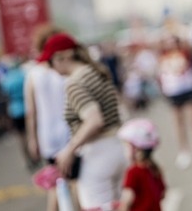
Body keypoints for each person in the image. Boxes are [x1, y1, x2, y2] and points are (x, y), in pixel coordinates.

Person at [39, 32, 127, 210]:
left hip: (97, 154)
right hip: (118, 148)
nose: (50, 67)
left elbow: (94, 120)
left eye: (51, 61)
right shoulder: (96, 72)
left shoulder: (75, 83)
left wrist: (69, 150)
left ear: (64, 56)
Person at [25, 25, 74, 211]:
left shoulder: (33, 73)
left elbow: (31, 111)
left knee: (56, 184)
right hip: (70, 133)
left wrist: (32, 139)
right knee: (74, 182)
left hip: (47, 136)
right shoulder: (65, 70)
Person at [156, 35, 192, 169]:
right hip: (173, 92)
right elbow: (160, 75)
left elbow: (191, 47)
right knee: (178, 123)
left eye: (173, 42)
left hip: (188, 90)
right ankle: (184, 151)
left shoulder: (185, 53)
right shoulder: (162, 57)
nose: (171, 45)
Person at [0, 55, 39, 169]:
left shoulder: (6, 79)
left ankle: (27, 159)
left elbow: (5, 97)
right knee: (30, 133)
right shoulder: (24, 75)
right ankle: (34, 155)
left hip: (14, 110)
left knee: (21, 138)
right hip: (27, 108)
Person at [117, 118, 165, 211]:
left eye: (127, 146)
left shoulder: (133, 172)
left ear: (136, 149)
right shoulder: (154, 168)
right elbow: (162, 194)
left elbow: (127, 199)